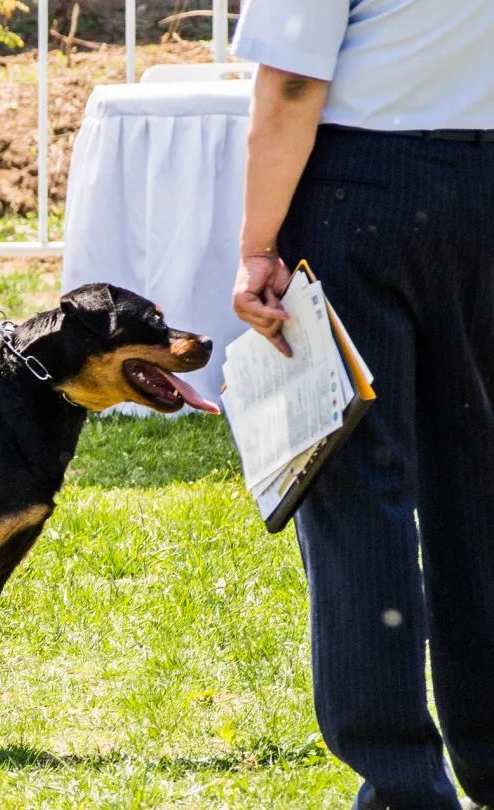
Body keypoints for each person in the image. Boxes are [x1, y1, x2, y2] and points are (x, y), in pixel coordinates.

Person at [230, 2, 494, 807]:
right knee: (478, 484)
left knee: (358, 494)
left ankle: (403, 782)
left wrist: (255, 245)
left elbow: (293, 85)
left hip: (360, 188)